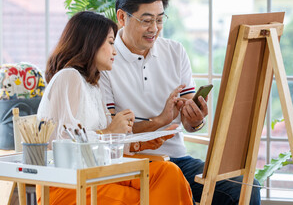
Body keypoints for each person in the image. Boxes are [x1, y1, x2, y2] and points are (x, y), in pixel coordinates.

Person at [99, 0, 261, 204]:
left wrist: (195, 120)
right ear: (122, 17)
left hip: (177, 160)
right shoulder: (106, 59)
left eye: (159, 19)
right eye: (146, 20)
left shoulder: (175, 51)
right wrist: (158, 121)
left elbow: (188, 122)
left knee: (244, 186)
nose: (154, 29)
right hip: (133, 163)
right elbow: (110, 132)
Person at [36, 11, 193, 205]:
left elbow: (103, 145)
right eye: (111, 43)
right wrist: (109, 131)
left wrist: (141, 143)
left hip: (97, 173)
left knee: (169, 173)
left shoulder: (93, 86)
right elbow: (59, 144)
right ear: (91, 43)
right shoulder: (68, 77)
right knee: (143, 197)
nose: (115, 51)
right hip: (68, 184)